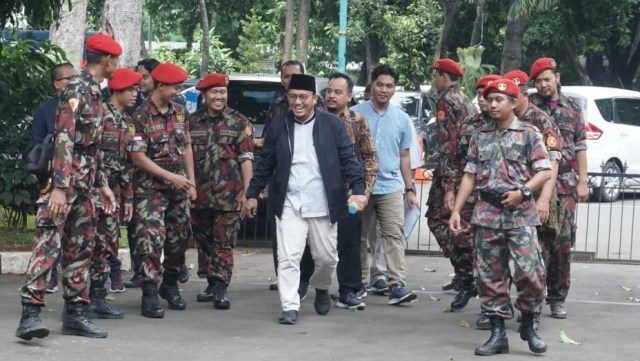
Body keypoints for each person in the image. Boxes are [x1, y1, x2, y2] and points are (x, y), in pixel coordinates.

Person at [16, 34, 121, 340]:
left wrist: (102, 184)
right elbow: (64, 136)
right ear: (108, 60)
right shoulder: (77, 88)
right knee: (48, 245)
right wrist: (60, 187)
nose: (117, 65)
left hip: (86, 185)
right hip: (64, 183)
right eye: (116, 60)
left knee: (80, 249)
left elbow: (92, 146)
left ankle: (75, 313)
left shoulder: (96, 93)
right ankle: (30, 315)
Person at [242, 74, 367, 325]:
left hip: (323, 203)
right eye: (293, 97)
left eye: (303, 97)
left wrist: (359, 188)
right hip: (289, 202)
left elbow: (349, 161)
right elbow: (266, 163)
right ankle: (289, 306)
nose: (297, 102)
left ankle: (321, 287)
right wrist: (252, 194)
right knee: (289, 257)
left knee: (326, 258)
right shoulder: (278, 125)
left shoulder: (333, 125)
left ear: (314, 99)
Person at [449, 79, 550, 356]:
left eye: (499, 100)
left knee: (531, 273)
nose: (492, 104)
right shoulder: (480, 135)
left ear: (514, 102)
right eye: (489, 99)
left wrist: (524, 192)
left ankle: (529, 322)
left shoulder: (529, 133)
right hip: (487, 214)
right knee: (490, 278)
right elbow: (470, 174)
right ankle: (497, 335)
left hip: (520, 215)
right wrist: (457, 210)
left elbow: (544, 170)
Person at [127, 63, 196, 318]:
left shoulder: (180, 112)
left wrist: (190, 182)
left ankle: (170, 285)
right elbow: (138, 157)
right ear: (161, 86)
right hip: (150, 190)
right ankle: (150, 292)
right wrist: (171, 177)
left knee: (179, 239)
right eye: (176, 88)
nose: (179, 92)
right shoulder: (140, 116)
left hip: (179, 189)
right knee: (151, 240)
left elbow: (187, 146)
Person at [351, 64, 418, 306]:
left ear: (394, 89)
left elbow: (404, 156)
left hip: (390, 186)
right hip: (360, 187)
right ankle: (358, 283)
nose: (384, 90)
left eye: (389, 86)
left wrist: (409, 189)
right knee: (359, 236)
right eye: (380, 84)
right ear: (372, 85)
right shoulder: (355, 114)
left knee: (394, 234)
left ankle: (396, 285)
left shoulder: (401, 119)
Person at [529, 57, 588, 319]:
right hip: (536, 184)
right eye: (538, 81)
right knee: (536, 244)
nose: (542, 85)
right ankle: (533, 297)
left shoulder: (573, 108)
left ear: (557, 77)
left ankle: (557, 298)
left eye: (547, 79)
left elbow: (580, 147)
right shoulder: (528, 106)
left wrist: (583, 181)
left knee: (562, 245)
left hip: (564, 185)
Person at [189, 73, 254, 310]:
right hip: (199, 196)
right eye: (214, 92)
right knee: (204, 241)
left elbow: (246, 158)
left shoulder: (239, 122)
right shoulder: (192, 122)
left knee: (223, 243)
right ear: (205, 95)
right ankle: (210, 281)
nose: (219, 97)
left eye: (222, 92)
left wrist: (248, 193)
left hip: (229, 196)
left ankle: (221, 287)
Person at [86, 68, 141, 320]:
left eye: (137, 89)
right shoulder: (100, 115)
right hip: (92, 190)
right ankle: (78, 299)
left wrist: (128, 198)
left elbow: (129, 164)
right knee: (84, 245)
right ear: (117, 90)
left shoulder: (128, 123)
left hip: (115, 192)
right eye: (131, 90)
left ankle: (97, 296)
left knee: (108, 245)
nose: (135, 94)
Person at [260, 60, 318, 293]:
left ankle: (306, 277)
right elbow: (267, 142)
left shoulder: (317, 103)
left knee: (311, 238)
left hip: (312, 180)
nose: (290, 80)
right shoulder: (277, 105)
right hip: (281, 179)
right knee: (282, 234)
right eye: (285, 76)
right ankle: (284, 277)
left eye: (294, 75)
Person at [322, 72, 378, 310]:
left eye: (337, 92)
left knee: (350, 244)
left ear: (348, 96)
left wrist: (364, 190)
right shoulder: (315, 118)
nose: (332, 96)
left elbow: (369, 156)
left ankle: (349, 291)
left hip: (350, 194)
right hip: (318, 193)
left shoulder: (357, 121)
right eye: (329, 91)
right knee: (313, 245)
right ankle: (308, 288)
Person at [449, 74, 501, 326]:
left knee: (499, 259)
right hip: (472, 198)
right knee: (465, 244)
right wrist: (452, 193)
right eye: (481, 96)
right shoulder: (470, 126)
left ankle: (500, 308)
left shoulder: (519, 126)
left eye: (489, 96)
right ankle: (471, 286)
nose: (484, 101)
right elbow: (458, 162)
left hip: (506, 203)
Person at [425, 58, 478, 307]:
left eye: (435, 76)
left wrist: (448, 187)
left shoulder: (447, 101)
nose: (433, 80)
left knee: (442, 222)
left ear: (445, 77)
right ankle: (464, 273)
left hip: (454, 172)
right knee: (456, 225)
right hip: (462, 171)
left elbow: (450, 146)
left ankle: (467, 275)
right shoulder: (463, 99)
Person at [30, 62, 77, 294]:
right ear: (57, 84)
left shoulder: (83, 107)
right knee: (50, 229)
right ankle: (47, 278)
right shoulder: (45, 111)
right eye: (70, 78)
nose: (74, 82)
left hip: (80, 178)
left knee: (79, 233)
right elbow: (37, 148)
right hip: (52, 180)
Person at [124, 58, 160, 289]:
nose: (140, 81)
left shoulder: (173, 107)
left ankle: (164, 272)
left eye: (144, 76)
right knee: (135, 228)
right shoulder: (134, 108)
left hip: (161, 181)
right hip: (136, 179)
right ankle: (141, 270)